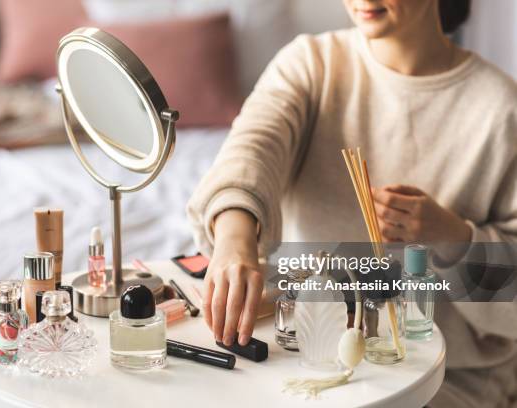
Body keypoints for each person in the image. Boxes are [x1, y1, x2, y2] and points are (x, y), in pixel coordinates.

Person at [187, 0, 517, 406]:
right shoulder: (312, 63)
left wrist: (451, 236)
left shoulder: (501, 109)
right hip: (306, 360)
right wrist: (234, 239)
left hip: (449, 379)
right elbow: (253, 148)